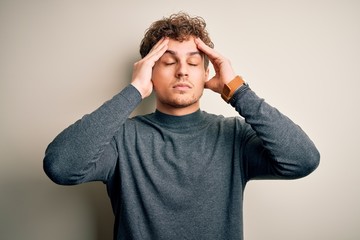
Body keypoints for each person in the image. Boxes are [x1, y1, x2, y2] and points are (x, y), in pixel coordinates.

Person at [43, 12, 320, 240]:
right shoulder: (121, 139)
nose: (182, 71)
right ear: (149, 69)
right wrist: (134, 90)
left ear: (206, 73)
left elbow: (303, 159)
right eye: (168, 61)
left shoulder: (235, 136)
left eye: (193, 62)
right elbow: (61, 166)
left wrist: (237, 90)